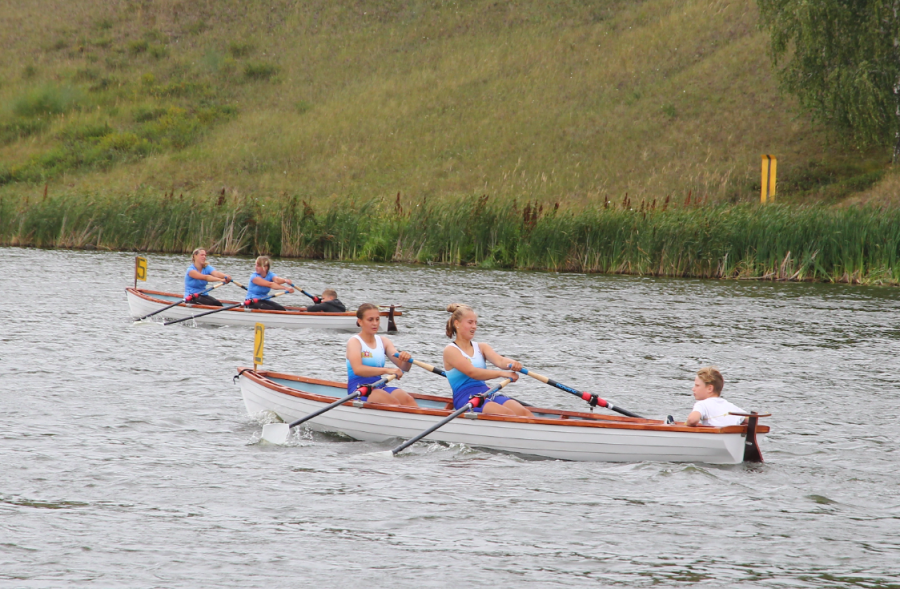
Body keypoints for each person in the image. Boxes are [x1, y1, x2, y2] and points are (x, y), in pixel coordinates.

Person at [442, 303, 533, 417]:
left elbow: (500, 361)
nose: (474, 326)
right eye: (470, 322)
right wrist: (502, 374)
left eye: (475, 323)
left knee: (524, 412)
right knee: (506, 414)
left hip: (485, 392)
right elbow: (473, 372)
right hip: (465, 397)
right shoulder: (450, 350)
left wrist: (513, 363)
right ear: (457, 324)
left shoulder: (482, 347)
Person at [346, 303, 418, 407]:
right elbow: (358, 369)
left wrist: (406, 359)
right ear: (360, 321)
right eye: (370, 320)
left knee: (408, 400)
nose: (375, 323)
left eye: (377, 319)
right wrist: (387, 370)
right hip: (359, 389)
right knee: (393, 403)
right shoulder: (354, 342)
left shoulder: (384, 341)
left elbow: (404, 367)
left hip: (380, 385)